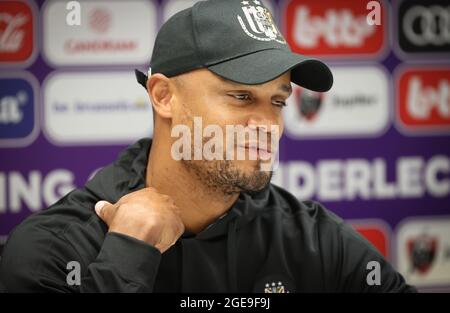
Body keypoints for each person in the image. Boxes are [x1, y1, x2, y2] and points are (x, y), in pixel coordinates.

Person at [0, 0, 415, 292]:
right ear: (163, 96)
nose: (267, 125)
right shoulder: (53, 251)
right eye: (240, 97)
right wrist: (124, 262)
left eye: (277, 101)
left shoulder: (317, 243)